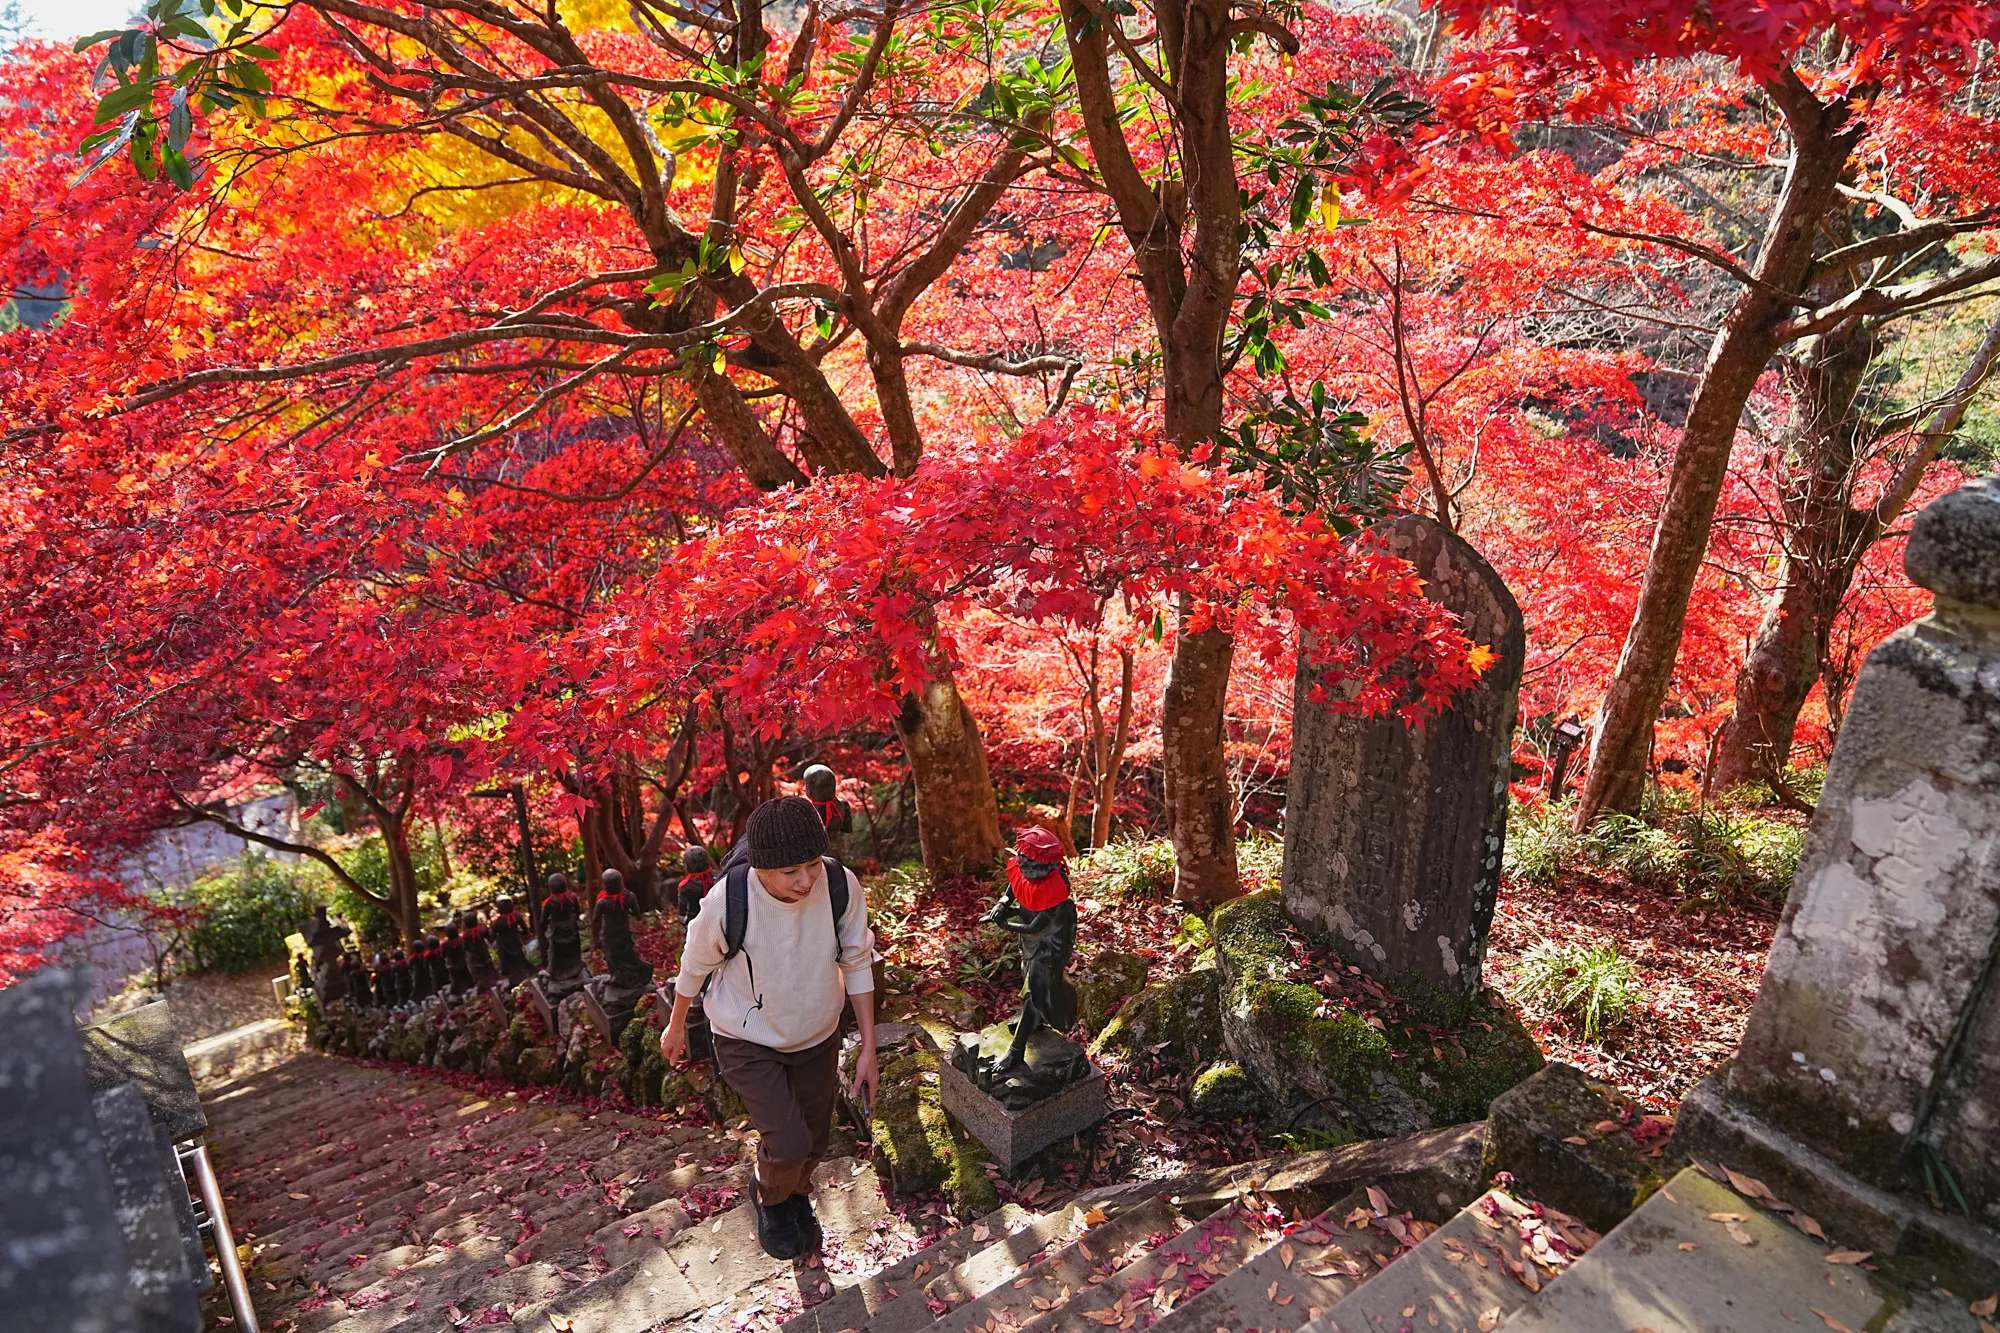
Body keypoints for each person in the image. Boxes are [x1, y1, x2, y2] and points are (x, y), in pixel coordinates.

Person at [660, 796, 878, 1261]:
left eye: (813, 864)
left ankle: (794, 1194)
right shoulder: (729, 901)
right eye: (790, 871)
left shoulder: (840, 884)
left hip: (817, 1033)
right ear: (760, 867)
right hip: (746, 1037)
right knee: (789, 1141)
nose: (806, 880)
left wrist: (868, 1049)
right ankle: (771, 1198)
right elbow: (693, 966)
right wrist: (676, 1025)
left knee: (816, 1140)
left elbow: (858, 961)